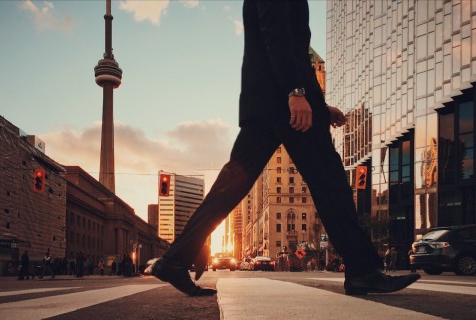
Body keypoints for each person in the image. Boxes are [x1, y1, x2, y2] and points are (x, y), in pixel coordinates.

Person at [152, 0, 420, 296]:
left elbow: (290, 47)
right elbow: (276, 33)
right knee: (331, 185)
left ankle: (174, 259)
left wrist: (319, 105)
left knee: (231, 186)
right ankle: (363, 271)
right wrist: (296, 92)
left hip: (268, 104)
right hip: (283, 105)